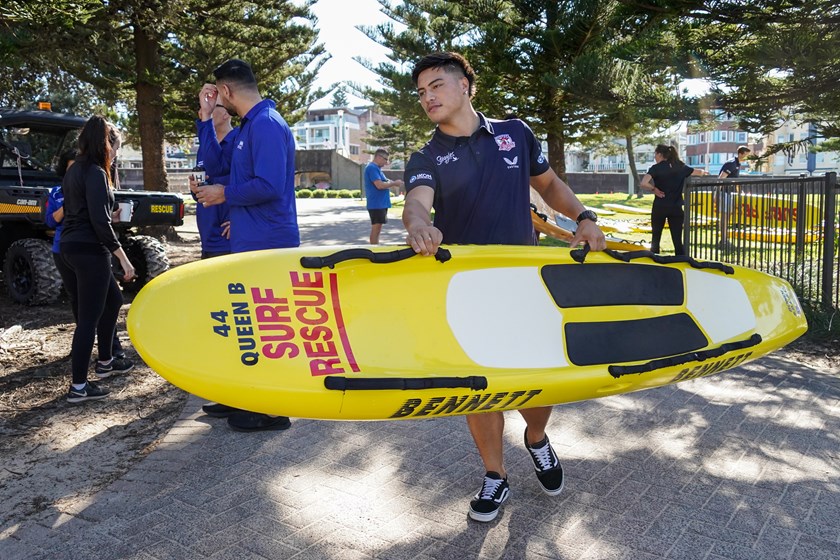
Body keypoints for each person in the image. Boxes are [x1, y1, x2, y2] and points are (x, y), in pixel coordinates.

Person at [402, 52, 606, 523]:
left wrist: (585, 217)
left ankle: (536, 438)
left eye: (435, 85)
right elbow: (417, 202)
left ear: (465, 86)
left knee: (540, 381)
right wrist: (419, 226)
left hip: (525, 282)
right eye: (421, 92)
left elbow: (549, 184)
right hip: (465, 291)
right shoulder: (427, 156)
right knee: (481, 388)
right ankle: (495, 475)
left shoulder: (515, 132)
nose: (427, 97)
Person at [195, 59, 298, 432]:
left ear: (226, 91)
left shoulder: (267, 125)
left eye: (216, 96)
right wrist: (206, 119)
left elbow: (269, 185)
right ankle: (245, 396)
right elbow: (215, 167)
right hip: (250, 240)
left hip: (268, 244)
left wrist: (226, 194)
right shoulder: (249, 126)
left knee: (270, 329)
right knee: (248, 326)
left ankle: (273, 410)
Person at [60, 117, 135, 403]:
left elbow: (82, 210)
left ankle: (106, 361)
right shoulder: (95, 172)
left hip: (70, 246)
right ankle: (78, 387)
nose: (116, 154)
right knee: (88, 320)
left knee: (113, 300)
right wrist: (124, 260)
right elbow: (100, 224)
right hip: (89, 249)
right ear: (107, 145)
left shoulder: (74, 169)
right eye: (116, 148)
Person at [46, 148, 127, 362]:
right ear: (65, 170)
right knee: (81, 303)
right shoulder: (56, 192)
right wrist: (69, 202)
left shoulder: (93, 182)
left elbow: (98, 219)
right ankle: (86, 352)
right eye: (72, 167)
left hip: (90, 247)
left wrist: (113, 218)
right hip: (65, 250)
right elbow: (50, 221)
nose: (77, 171)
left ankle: (110, 349)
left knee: (107, 301)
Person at [639, 144, 707, 255]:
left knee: (656, 238)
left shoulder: (656, 168)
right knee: (677, 240)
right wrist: (704, 173)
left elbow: (643, 183)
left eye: (655, 154)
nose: (655, 157)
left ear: (660, 154)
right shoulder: (680, 166)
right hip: (676, 207)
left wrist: (654, 189)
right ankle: (680, 263)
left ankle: (655, 264)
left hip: (660, 206)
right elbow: (698, 172)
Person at [364, 148, 403, 244]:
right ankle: (374, 250)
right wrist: (394, 183)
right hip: (376, 204)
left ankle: (375, 247)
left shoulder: (377, 169)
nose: (386, 162)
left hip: (380, 203)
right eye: (385, 159)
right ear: (378, 157)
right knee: (376, 229)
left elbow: (385, 181)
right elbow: (380, 185)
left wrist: (393, 182)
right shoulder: (372, 168)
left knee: (378, 229)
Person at [716, 145, 751, 249]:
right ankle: (723, 240)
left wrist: (740, 192)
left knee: (727, 217)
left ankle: (725, 239)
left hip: (729, 193)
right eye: (746, 155)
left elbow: (734, 180)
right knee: (724, 217)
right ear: (740, 153)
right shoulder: (731, 164)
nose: (747, 158)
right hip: (724, 193)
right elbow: (721, 178)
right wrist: (717, 193)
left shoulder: (737, 164)